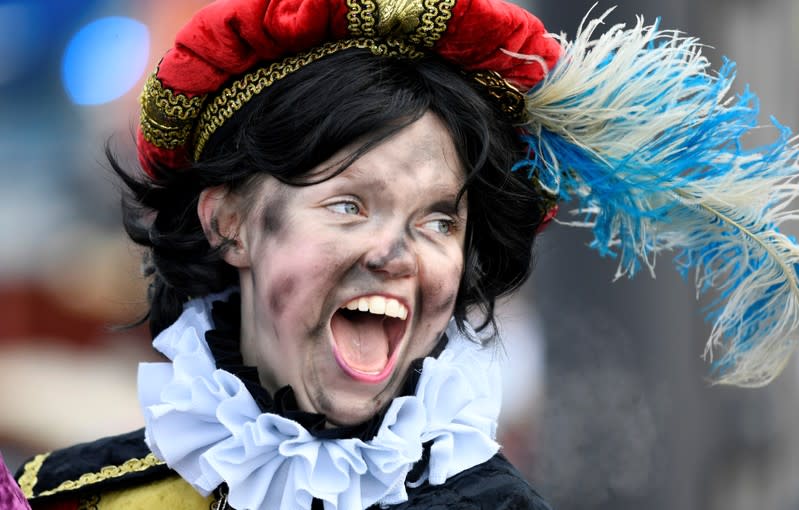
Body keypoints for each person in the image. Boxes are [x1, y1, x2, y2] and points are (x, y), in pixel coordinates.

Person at [15, 0, 799, 508]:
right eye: (349, 205)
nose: (395, 253)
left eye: (435, 221)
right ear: (231, 226)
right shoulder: (71, 498)